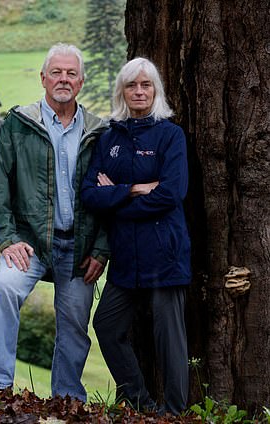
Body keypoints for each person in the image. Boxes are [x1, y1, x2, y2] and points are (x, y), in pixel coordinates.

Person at [0, 43, 110, 401]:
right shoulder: (19, 125)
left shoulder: (100, 133)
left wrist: (101, 249)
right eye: (56, 72)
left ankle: (67, 398)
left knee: (74, 323)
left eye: (71, 73)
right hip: (30, 242)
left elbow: (110, 200)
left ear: (81, 82)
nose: (63, 79)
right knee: (5, 288)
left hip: (81, 247)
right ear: (43, 78)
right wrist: (7, 240)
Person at [80, 57, 191, 415]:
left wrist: (116, 198)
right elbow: (90, 194)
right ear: (122, 92)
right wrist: (133, 190)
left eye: (146, 85)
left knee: (168, 338)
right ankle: (139, 402)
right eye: (132, 85)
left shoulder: (170, 135)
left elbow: (171, 194)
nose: (139, 91)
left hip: (165, 252)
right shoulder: (109, 138)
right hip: (126, 256)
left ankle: (174, 412)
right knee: (106, 325)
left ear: (155, 90)